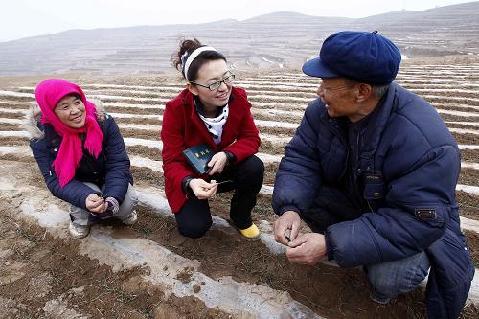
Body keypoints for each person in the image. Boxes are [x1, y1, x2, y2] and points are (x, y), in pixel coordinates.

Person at [272, 31, 474, 318]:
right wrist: (290, 208)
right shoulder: (322, 112)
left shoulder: (425, 142)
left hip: (408, 219)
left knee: (390, 276)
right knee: (306, 197)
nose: (319, 92)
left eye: (327, 85)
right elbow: (302, 158)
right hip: (359, 201)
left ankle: (380, 285)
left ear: (362, 91)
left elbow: (414, 220)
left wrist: (331, 243)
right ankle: (353, 245)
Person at [161, 38, 264, 239]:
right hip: (190, 173)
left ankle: (240, 215)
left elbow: (251, 138)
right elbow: (171, 161)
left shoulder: (238, 98)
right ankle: (198, 196)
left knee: (253, 167)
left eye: (226, 78)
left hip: (219, 164)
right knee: (194, 228)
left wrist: (228, 154)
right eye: (213, 83)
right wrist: (190, 182)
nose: (224, 87)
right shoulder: (175, 111)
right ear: (192, 88)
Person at [28, 79, 138, 239]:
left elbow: (118, 163)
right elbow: (54, 181)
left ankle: (120, 209)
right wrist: (84, 197)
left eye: (77, 102)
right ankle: (79, 220)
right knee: (82, 207)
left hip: (108, 176)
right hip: (79, 183)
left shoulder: (103, 122)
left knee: (126, 204)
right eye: (65, 107)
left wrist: (113, 197)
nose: (76, 110)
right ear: (51, 111)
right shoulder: (42, 139)